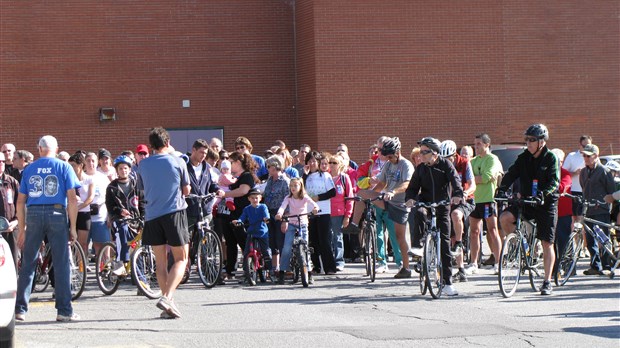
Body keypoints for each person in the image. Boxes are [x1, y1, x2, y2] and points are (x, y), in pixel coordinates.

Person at [15, 135, 81, 322]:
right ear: (57, 148)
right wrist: (73, 227)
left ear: (39, 149)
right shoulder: (64, 166)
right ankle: (64, 311)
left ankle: (20, 309)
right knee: (61, 264)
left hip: (34, 213)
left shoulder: (29, 168)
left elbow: (20, 201)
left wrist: (22, 228)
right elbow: (73, 199)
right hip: (57, 213)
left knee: (28, 262)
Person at [498, 124, 559, 295]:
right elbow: (511, 173)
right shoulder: (524, 157)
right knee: (504, 217)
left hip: (546, 203)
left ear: (541, 142)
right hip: (526, 201)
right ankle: (518, 246)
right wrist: (502, 188)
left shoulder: (551, 157)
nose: (528, 143)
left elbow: (554, 182)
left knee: (547, 243)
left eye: (532, 140)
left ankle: (547, 281)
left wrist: (543, 194)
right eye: (526, 140)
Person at [136, 127, 191, 319]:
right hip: (174, 213)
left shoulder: (142, 165)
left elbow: (142, 189)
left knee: (160, 263)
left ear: (151, 145)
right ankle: (167, 297)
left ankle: (168, 306)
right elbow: (186, 190)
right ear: (167, 143)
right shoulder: (178, 161)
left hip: (152, 215)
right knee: (181, 259)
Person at [406, 137, 463, 296]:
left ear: (435, 153)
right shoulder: (421, 169)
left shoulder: (446, 165)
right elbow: (412, 188)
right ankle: (418, 247)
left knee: (444, 242)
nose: (421, 155)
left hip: (443, 204)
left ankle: (448, 283)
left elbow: (455, 181)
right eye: (421, 152)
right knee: (418, 212)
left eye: (425, 152)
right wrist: (410, 199)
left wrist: (458, 195)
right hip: (425, 202)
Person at [466, 134, 504, 276]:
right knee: (474, 232)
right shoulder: (473, 160)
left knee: (492, 231)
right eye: (475, 144)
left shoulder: (492, 159)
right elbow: (468, 179)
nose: (476, 147)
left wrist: (474, 180)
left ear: (487, 145)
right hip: (474, 200)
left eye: (479, 144)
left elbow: (486, 177)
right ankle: (474, 263)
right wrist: (475, 180)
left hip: (488, 199)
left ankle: (498, 263)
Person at [439, 140, 476, 282]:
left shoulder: (465, 163)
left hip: (466, 200)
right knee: (451, 237)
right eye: (444, 159)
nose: (447, 161)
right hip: (449, 201)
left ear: (454, 155)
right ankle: (461, 270)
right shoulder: (441, 166)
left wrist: (465, 193)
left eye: (449, 158)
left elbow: (472, 184)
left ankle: (460, 242)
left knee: (456, 215)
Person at [184, 139, 224, 271]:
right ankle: (184, 266)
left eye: (205, 153)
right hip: (188, 208)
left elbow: (211, 184)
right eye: (201, 152)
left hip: (204, 208)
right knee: (185, 240)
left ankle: (209, 270)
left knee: (207, 238)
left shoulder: (207, 167)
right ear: (193, 150)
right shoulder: (184, 165)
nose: (203, 156)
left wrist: (217, 189)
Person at [578, 144, 616, 275]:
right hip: (588, 209)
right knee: (589, 239)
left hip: (601, 209)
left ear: (595, 156)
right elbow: (583, 188)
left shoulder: (604, 171)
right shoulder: (583, 172)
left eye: (588, 156)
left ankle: (606, 265)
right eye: (584, 156)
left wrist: (607, 203)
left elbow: (611, 191)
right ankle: (595, 266)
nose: (586, 158)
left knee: (603, 238)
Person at [221, 152, 259, 279]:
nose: (230, 165)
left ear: (238, 162)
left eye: (231, 162)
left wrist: (226, 195)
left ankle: (251, 268)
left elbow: (243, 191)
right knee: (230, 242)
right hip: (230, 213)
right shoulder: (233, 177)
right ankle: (230, 270)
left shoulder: (247, 176)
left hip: (242, 213)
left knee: (243, 241)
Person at [105, 155, 145, 276]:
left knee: (139, 247)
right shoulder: (112, 187)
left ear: (130, 169)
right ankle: (121, 262)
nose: (123, 171)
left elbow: (142, 202)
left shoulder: (137, 184)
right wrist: (120, 211)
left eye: (126, 168)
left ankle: (141, 280)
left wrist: (144, 215)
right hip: (119, 219)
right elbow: (110, 206)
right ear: (117, 170)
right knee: (122, 230)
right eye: (121, 168)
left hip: (135, 219)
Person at [275, 177, 319, 284]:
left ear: (301, 186)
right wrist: (279, 214)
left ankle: (308, 273)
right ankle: (282, 272)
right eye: (291, 186)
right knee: (286, 248)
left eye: (296, 185)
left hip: (303, 224)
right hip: (292, 224)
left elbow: (314, 204)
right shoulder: (288, 198)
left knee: (305, 248)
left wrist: (315, 209)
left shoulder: (304, 197)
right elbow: (282, 207)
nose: (293, 188)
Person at [304, 150, 337, 275]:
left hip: (323, 211)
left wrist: (319, 197)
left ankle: (330, 267)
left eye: (314, 161)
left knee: (325, 240)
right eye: (310, 161)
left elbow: (332, 192)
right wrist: (304, 174)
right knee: (313, 241)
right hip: (309, 212)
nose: (312, 163)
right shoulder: (305, 177)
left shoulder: (325, 176)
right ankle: (316, 266)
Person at [232, 188, 272, 282]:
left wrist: (266, 218)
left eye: (256, 198)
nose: (255, 200)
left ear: (260, 198)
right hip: (251, 232)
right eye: (252, 198)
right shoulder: (247, 209)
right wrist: (238, 221)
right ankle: (247, 274)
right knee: (246, 252)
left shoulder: (263, 207)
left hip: (262, 232)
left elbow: (266, 215)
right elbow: (242, 217)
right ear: (249, 199)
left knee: (265, 251)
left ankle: (270, 270)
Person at [262, 155, 290, 275]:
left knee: (281, 241)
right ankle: (275, 267)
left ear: (275, 166)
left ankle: (285, 268)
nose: (267, 168)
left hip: (281, 214)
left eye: (269, 166)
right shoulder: (269, 180)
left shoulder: (285, 181)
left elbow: (288, 201)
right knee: (272, 241)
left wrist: (285, 219)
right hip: (270, 214)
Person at [328, 153, 354, 271]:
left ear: (340, 165)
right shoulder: (325, 177)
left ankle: (339, 261)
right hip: (325, 212)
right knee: (328, 237)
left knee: (337, 237)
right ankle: (328, 261)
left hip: (338, 213)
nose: (332, 165)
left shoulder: (344, 178)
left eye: (335, 163)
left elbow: (350, 198)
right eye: (330, 162)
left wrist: (347, 216)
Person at [84, 152, 112, 258]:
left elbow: (109, 198)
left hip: (100, 216)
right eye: (88, 160)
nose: (91, 163)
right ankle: (82, 269)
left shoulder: (103, 178)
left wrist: (109, 215)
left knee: (101, 244)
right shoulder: (81, 177)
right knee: (84, 244)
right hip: (84, 216)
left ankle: (105, 268)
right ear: (84, 162)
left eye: (93, 161)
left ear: (97, 163)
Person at [68, 153, 95, 259]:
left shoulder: (89, 180)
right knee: (71, 241)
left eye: (73, 165)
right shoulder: (69, 180)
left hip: (84, 213)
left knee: (82, 243)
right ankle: (72, 263)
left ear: (81, 165)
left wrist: (77, 207)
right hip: (70, 213)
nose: (71, 168)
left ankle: (81, 265)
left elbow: (90, 198)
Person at [550, 148, 572, 273]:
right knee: (551, 241)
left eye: (559, 161)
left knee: (563, 240)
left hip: (563, 212)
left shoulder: (565, 173)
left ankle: (567, 267)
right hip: (551, 212)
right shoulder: (549, 172)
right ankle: (554, 268)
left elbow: (562, 187)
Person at [563, 135, 592, 226]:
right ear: (579, 145)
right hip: (573, 191)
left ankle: (583, 240)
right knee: (573, 218)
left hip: (587, 191)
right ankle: (574, 239)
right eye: (584, 146)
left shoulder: (593, 157)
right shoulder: (572, 156)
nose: (587, 149)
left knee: (582, 219)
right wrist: (575, 173)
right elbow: (563, 174)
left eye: (589, 146)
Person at [0, 152, 19, 264]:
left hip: (11, 229)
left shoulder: (12, 182)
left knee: (12, 261)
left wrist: (16, 221)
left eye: (3, 161)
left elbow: (21, 204)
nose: (1, 164)